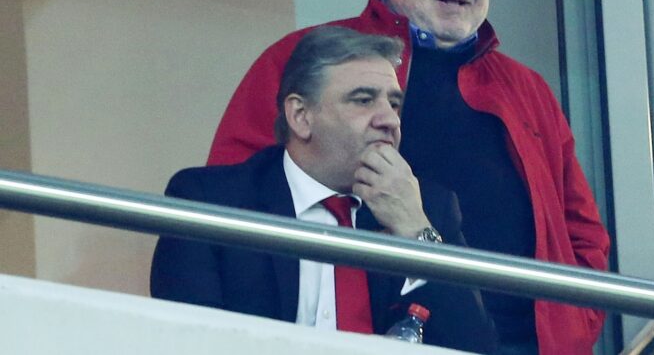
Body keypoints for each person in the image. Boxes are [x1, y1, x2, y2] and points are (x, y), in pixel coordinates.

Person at [207, 0, 610, 355]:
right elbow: (232, 208)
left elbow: (584, 237)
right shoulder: (306, 61)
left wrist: (574, 328)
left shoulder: (527, 90)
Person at [151, 26, 496, 354]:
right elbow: (189, 343)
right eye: (363, 100)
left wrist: (415, 232)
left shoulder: (426, 207)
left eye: (394, 104)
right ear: (301, 116)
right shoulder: (211, 200)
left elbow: (474, 347)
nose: (389, 120)